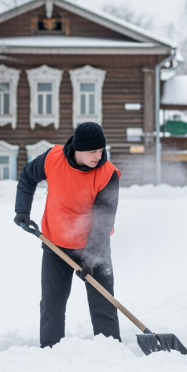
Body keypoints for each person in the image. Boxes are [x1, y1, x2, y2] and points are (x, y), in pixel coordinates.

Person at [13, 122, 121, 348]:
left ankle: (111, 349)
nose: (97, 156)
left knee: (103, 302)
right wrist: (22, 210)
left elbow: (103, 222)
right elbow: (27, 176)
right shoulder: (52, 158)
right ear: (78, 149)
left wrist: (89, 259)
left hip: (95, 246)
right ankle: (50, 349)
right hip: (56, 243)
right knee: (52, 303)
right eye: (92, 151)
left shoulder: (107, 174)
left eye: (100, 150)